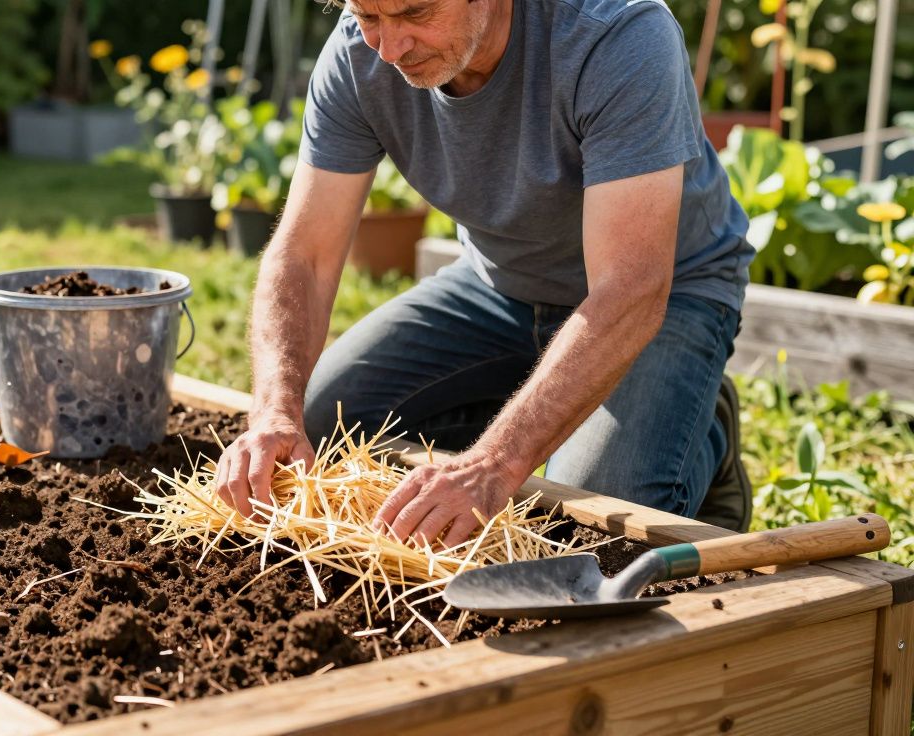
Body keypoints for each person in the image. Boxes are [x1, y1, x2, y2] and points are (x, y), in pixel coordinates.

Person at [213, 0, 756, 543]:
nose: (389, 47)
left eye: (415, 13)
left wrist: (496, 463)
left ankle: (706, 432)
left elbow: (631, 287)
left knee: (588, 518)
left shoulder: (618, 35)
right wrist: (273, 412)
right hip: (496, 286)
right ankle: (541, 412)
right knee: (319, 427)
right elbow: (304, 252)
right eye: (369, 17)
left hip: (660, 297)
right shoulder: (358, 54)